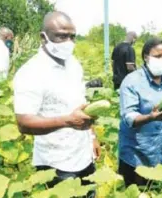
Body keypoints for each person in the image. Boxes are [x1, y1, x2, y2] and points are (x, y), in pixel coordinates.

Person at [13, 11, 100, 197]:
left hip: (83, 154)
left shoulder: (74, 64)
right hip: (56, 163)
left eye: (72, 36)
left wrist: (92, 137)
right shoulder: (30, 72)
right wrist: (67, 121)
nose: (69, 42)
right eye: (61, 36)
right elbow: (23, 122)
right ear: (43, 37)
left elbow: (81, 103)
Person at [118, 38, 162, 186]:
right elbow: (129, 117)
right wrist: (150, 117)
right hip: (135, 158)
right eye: (157, 56)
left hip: (160, 155)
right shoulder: (132, 81)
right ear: (146, 57)